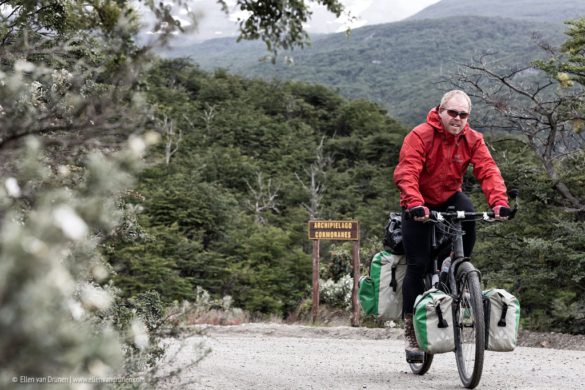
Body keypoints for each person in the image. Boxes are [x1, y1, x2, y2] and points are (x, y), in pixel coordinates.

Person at [393, 90, 510, 363]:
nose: (457, 119)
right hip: (418, 202)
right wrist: (414, 203)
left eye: (463, 114)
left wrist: (499, 202)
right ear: (440, 111)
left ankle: (456, 269)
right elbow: (407, 171)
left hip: (449, 197)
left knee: (468, 215)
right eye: (453, 113)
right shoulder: (420, 135)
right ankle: (411, 331)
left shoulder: (472, 139)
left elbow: (488, 170)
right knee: (417, 265)